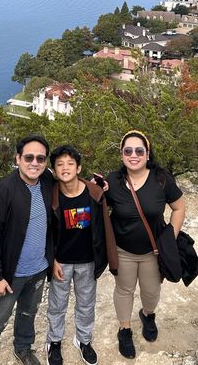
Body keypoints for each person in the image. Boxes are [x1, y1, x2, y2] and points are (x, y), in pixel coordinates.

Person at [0, 134, 54, 365]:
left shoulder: (47, 180)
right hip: (11, 274)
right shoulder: (3, 191)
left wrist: (97, 187)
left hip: (38, 269)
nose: (34, 163)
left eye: (40, 158)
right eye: (29, 157)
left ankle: (23, 349)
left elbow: (71, 186)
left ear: (46, 162)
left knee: (28, 312)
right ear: (18, 158)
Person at [104, 130, 186, 359]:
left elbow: (179, 207)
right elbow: (99, 205)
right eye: (127, 150)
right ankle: (125, 329)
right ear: (121, 154)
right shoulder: (113, 181)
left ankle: (147, 315)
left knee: (151, 292)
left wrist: (171, 234)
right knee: (124, 290)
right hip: (123, 250)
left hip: (153, 250)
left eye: (139, 150)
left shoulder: (162, 179)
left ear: (147, 154)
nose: (133, 155)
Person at [45, 145, 117, 365]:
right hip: (62, 262)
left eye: (70, 163)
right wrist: (52, 259)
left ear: (79, 168)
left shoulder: (94, 194)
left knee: (86, 304)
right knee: (57, 304)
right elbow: (46, 231)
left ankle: (83, 340)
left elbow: (106, 223)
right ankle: (54, 342)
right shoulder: (51, 196)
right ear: (54, 171)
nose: (65, 168)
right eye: (60, 164)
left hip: (87, 260)